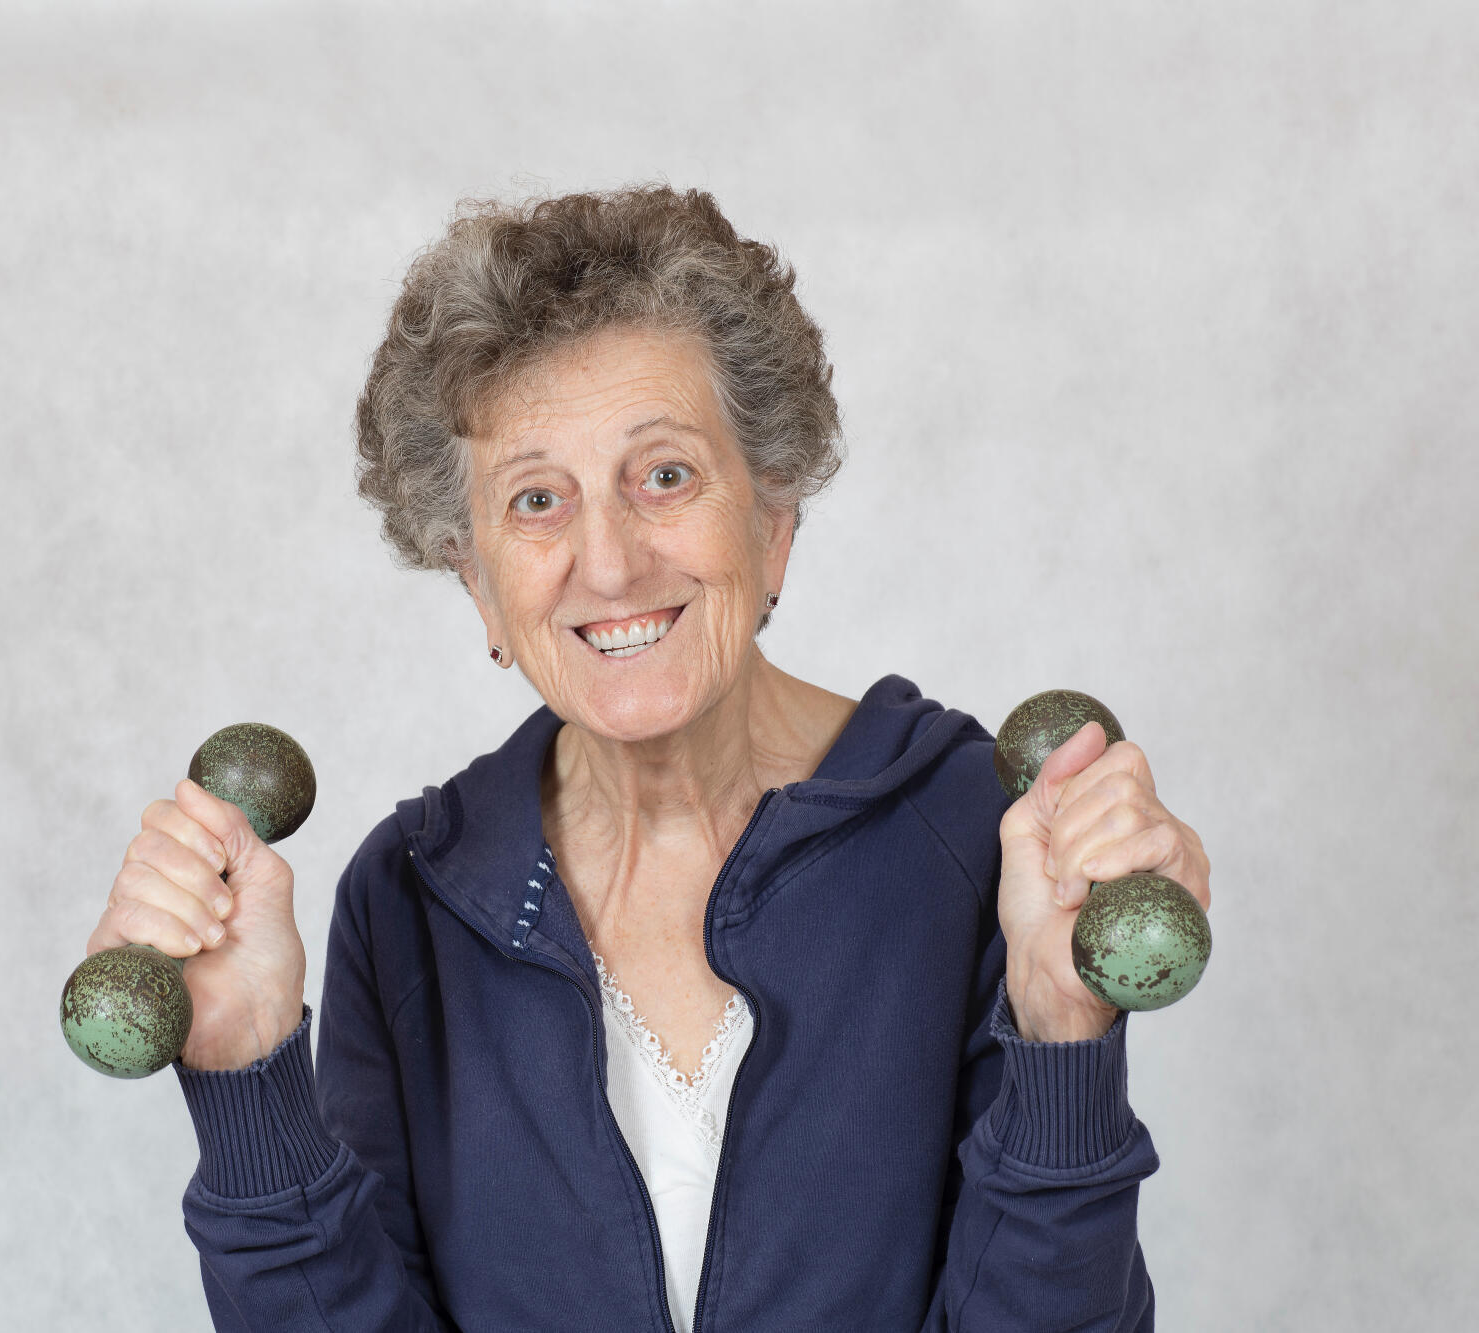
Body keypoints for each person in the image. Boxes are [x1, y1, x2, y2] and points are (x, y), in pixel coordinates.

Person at [84, 185, 1212, 1331]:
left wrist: (1060, 1034)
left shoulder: (978, 837)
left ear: (770, 517)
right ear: (477, 582)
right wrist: (246, 1073)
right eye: (536, 500)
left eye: (663, 475)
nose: (611, 563)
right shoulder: (410, 899)